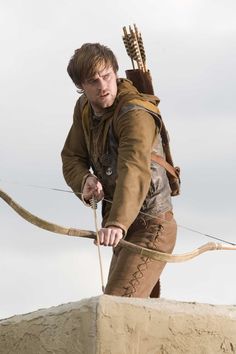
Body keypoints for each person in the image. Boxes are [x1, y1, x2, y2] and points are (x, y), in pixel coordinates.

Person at [61, 43, 177, 298]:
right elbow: (72, 156)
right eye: (93, 81)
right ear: (81, 86)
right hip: (124, 228)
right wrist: (85, 180)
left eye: (107, 76)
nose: (103, 86)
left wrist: (116, 223)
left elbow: (133, 167)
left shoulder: (134, 112)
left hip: (151, 226)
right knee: (128, 310)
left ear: (115, 73)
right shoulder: (84, 109)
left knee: (116, 305)